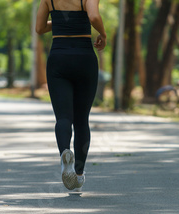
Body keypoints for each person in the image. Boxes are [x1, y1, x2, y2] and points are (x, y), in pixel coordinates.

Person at [36, 0, 106, 193]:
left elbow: (39, 28)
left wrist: (58, 22)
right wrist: (103, 33)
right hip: (84, 58)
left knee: (63, 117)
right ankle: (78, 173)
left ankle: (65, 154)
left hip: (58, 59)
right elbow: (93, 16)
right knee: (81, 119)